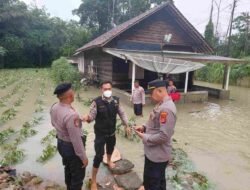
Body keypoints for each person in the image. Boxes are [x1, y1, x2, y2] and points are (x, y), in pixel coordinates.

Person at [82, 81, 130, 190]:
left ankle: (108, 160)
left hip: (111, 132)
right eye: (105, 89)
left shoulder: (116, 101)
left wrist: (126, 124)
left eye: (109, 89)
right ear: (101, 90)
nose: (107, 91)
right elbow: (92, 116)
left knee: (110, 148)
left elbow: (122, 113)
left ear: (111, 89)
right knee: (98, 156)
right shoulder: (96, 102)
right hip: (100, 134)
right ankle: (94, 179)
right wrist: (87, 118)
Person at [134, 80, 177, 190]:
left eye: (151, 94)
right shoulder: (161, 104)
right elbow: (154, 123)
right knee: (159, 181)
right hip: (153, 154)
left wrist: (144, 136)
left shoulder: (166, 109)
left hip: (157, 156)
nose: (151, 97)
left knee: (152, 184)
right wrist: (144, 127)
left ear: (159, 91)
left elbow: (163, 136)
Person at [50, 83, 88, 190]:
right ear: (70, 96)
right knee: (77, 177)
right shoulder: (71, 115)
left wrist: (79, 119)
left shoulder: (54, 107)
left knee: (68, 168)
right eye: (73, 92)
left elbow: (54, 123)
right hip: (71, 148)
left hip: (61, 144)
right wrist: (83, 158)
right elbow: (76, 141)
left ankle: (68, 187)